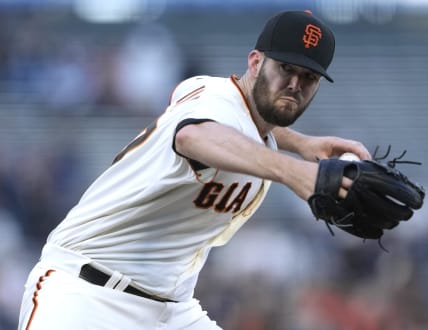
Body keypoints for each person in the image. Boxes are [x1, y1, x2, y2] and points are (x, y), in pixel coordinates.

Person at [18, 10, 372, 330]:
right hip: (87, 296)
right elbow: (192, 136)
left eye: (308, 77)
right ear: (255, 62)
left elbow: (251, 121)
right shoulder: (215, 99)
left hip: (172, 310)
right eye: (286, 68)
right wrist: (294, 172)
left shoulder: (241, 118)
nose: (295, 84)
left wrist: (302, 143)